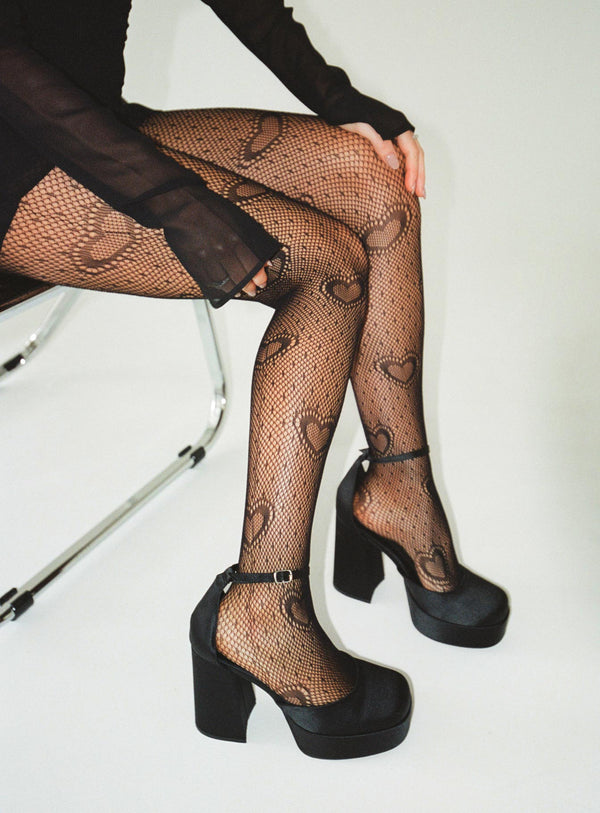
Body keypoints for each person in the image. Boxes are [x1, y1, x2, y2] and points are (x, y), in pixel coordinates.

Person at [0, 0, 509, 759]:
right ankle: (262, 609)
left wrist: (339, 98)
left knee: (376, 187)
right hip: (12, 161)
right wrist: (180, 205)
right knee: (326, 267)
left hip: (90, 121)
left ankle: (397, 494)